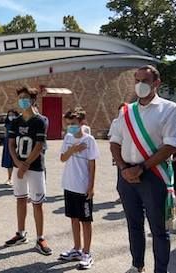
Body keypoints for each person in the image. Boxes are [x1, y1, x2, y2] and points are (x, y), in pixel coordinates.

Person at [110, 65, 176, 273]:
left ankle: (160, 270)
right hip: (126, 175)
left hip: (153, 175)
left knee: (158, 230)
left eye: (145, 80)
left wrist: (141, 168)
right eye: (137, 80)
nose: (140, 85)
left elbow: (171, 145)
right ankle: (137, 264)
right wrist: (124, 168)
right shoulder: (127, 111)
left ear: (156, 83)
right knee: (134, 225)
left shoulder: (169, 109)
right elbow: (114, 142)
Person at [5, 86, 52, 256]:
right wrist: (18, 163)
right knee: (20, 199)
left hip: (35, 167)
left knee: (37, 203)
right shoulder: (15, 121)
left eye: (25, 97)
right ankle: (20, 233)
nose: (22, 101)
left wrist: (24, 165)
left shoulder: (39, 121)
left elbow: (39, 146)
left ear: (33, 100)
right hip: (19, 167)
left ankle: (40, 237)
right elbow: (10, 144)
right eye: (20, 98)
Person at [58, 109, 99, 270]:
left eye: (73, 124)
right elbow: (62, 158)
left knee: (86, 221)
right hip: (69, 185)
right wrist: (73, 150)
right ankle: (76, 248)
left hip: (83, 188)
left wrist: (91, 186)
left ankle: (87, 253)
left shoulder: (89, 140)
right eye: (68, 124)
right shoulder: (68, 138)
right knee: (73, 218)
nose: (70, 127)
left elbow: (92, 164)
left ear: (82, 123)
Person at [2, 110, 19, 185]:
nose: (10, 116)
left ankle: (17, 178)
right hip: (8, 143)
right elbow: (6, 134)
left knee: (16, 160)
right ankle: (9, 178)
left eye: (12, 115)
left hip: (17, 143)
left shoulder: (19, 123)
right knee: (9, 161)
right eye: (9, 115)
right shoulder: (7, 124)